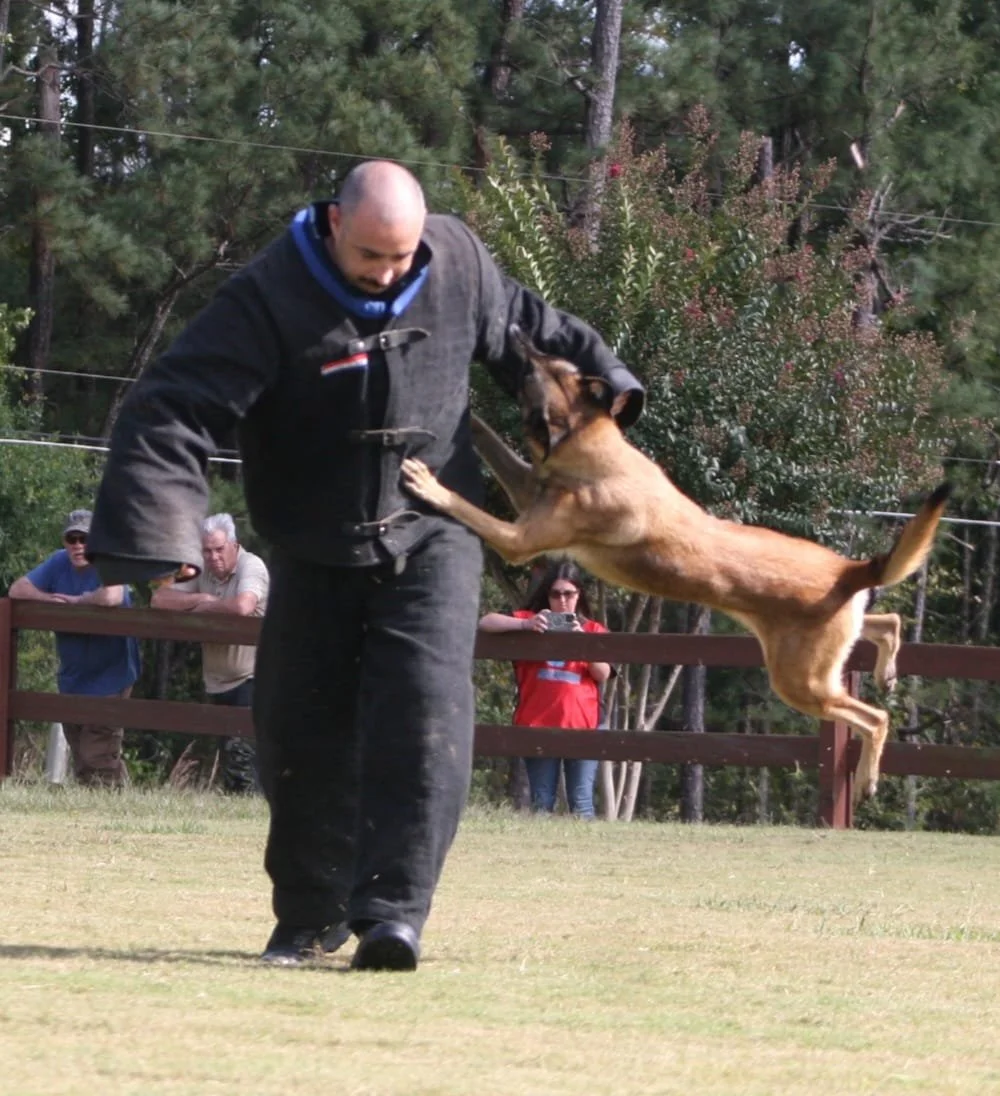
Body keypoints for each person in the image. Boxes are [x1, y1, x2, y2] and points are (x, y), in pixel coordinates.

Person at [85, 159, 645, 971]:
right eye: (372, 257)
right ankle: (310, 917)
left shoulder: (454, 259)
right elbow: (174, 402)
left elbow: (528, 329)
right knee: (296, 729)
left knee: (423, 715)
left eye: (402, 255)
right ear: (336, 224)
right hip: (311, 539)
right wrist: (158, 531)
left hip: (436, 526)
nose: (389, 273)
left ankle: (395, 915)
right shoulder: (269, 293)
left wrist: (606, 389)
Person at [8, 509, 141, 787]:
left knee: (97, 756)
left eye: (85, 539)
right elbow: (17, 590)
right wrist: (48, 599)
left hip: (111, 676)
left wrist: (74, 602)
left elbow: (112, 596)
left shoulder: (109, 562)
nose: (79, 545)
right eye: (72, 539)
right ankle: (120, 797)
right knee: (83, 755)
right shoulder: (58, 562)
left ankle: (108, 805)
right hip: (73, 676)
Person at [479, 562, 612, 818]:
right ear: (547, 595)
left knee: (582, 802)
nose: (562, 601)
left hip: (584, 724)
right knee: (542, 802)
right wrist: (525, 626)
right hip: (537, 723)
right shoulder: (531, 622)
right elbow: (486, 622)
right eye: (555, 594)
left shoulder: (593, 629)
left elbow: (603, 674)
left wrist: (581, 641)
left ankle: (587, 856)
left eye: (569, 593)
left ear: (579, 594)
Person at [150, 513, 268, 794]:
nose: (213, 557)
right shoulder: (198, 568)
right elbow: (159, 598)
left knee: (243, 757)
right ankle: (240, 806)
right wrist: (201, 599)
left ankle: (248, 812)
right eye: (207, 550)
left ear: (234, 545)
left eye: (219, 549)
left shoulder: (251, 566)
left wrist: (206, 609)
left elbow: (243, 606)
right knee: (229, 755)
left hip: (252, 676)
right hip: (217, 678)